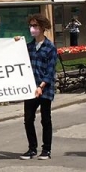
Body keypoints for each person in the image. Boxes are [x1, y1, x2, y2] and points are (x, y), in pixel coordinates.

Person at [20, 13, 58, 161]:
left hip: (45, 89)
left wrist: (41, 86)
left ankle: (46, 150)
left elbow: (50, 71)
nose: (32, 29)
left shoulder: (50, 47)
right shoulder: (28, 47)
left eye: (35, 26)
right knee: (28, 119)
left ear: (42, 27)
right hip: (30, 89)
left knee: (45, 119)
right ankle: (32, 148)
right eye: (31, 26)